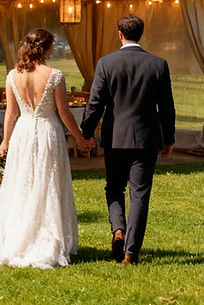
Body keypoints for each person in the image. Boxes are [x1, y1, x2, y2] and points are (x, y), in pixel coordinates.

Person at [0, 28, 92, 268]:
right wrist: (79, 137)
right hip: (48, 131)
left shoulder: (12, 75)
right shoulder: (55, 75)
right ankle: (43, 238)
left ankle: (19, 236)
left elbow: (11, 114)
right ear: (46, 49)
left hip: (23, 133)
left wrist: (6, 140)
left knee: (22, 184)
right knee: (47, 183)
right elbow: (64, 112)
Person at [80, 14, 174, 265]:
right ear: (140, 34)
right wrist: (169, 138)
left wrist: (85, 133)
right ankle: (131, 253)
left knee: (114, 187)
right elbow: (167, 107)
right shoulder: (159, 64)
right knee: (140, 194)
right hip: (147, 139)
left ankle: (118, 230)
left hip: (115, 138)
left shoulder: (106, 63)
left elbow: (95, 104)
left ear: (119, 33)